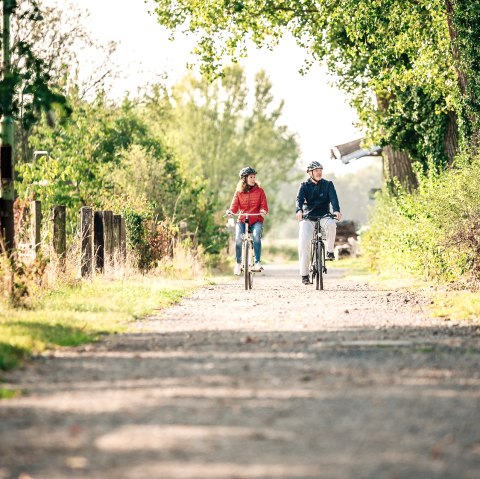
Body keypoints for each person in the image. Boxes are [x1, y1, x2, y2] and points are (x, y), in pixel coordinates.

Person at [296, 161, 342, 285]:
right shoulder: (304, 185)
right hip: (308, 217)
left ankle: (330, 251)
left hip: (324, 215)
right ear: (310, 173)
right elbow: (299, 200)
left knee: (332, 224)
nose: (319, 172)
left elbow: (333, 199)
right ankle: (304, 275)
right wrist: (299, 210)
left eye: (320, 170)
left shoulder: (328, 184)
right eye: (316, 170)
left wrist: (336, 210)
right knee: (304, 243)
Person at [226, 166, 268, 275]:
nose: (253, 179)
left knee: (256, 236)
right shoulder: (239, 192)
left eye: (254, 177)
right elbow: (234, 207)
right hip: (242, 220)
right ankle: (238, 263)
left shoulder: (260, 191)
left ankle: (257, 262)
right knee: (238, 239)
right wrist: (230, 211)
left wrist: (263, 210)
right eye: (251, 177)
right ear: (244, 179)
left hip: (256, 219)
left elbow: (264, 205)